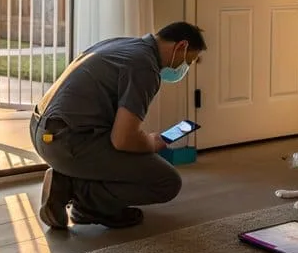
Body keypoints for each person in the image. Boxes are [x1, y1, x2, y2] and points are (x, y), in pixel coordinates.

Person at [30, 21, 207, 230]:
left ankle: (69, 178)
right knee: (167, 182)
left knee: (138, 154)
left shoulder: (120, 45)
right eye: (188, 60)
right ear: (181, 46)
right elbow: (123, 139)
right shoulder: (144, 66)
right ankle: (82, 197)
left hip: (41, 130)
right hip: (67, 142)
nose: (183, 68)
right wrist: (152, 143)